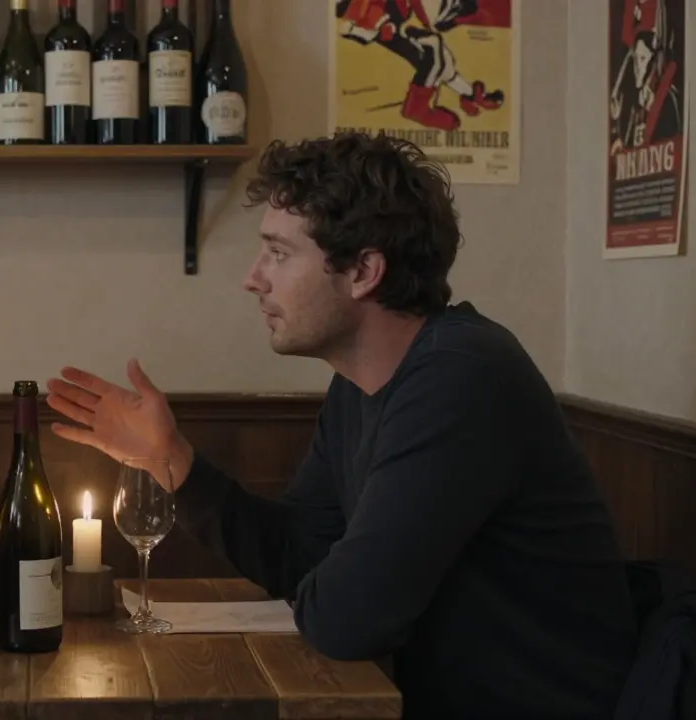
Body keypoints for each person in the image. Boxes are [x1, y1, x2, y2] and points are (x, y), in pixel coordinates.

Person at [45, 132, 639, 719]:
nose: (254, 278)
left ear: (363, 272)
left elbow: (346, 621)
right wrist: (172, 460)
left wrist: (331, 587)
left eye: (278, 253)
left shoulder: (461, 378)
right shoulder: (361, 385)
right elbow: (301, 555)